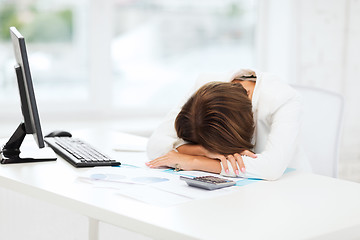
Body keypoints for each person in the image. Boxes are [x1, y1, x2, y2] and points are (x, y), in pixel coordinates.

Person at [146, 69, 312, 180]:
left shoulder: (283, 99)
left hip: (288, 188)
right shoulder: (206, 87)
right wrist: (203, 151)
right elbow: (155, 146)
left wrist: (195, 162)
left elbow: (271, 168)